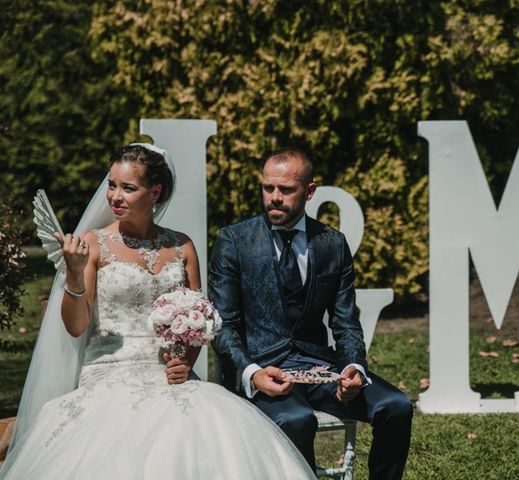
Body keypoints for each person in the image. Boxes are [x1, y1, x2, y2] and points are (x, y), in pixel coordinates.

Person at [0, 144, 315, 479]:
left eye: (128, 188)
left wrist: (187, 360)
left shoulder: (182, 246)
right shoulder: (93, 244)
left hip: (171, 377)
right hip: (108, 376)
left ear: (156, 192)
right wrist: (75, 273)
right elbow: (76, 327)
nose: (115, 197)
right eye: (111, 185)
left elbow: (201, 318)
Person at [210, 147, 413, 480]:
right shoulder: (234, 241)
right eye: (267, 187)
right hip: (262, 369)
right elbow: (224, 326)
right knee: (297, 419)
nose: (274, 197)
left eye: (286, 190)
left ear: (310, 191)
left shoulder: (333, 243)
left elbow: (346, 322)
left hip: (320, 369)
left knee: (397, 406)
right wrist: (253, 373)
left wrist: (352, 367)